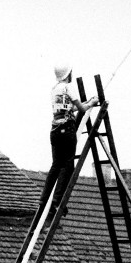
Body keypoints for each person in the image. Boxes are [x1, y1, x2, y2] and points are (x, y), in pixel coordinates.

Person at [38, 64, 100, 223]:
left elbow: (67, 108)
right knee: (67, 165)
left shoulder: (54, 89)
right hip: (67, 130)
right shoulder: (68, 87)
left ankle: (45, 198)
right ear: (67, 74)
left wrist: (85, 103)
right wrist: (92, 103)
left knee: (56, 164)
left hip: (55, 130)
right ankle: (57, 199)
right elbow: (81, 108)